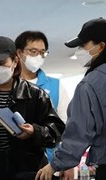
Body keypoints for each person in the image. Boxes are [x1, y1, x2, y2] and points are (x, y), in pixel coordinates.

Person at [0, 35, 65, 180]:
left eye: (1, 63)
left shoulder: (35, 94)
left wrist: (34, 132)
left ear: (15, 61)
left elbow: (56, 131)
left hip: (25, 168)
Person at [35, 17, 106, 180]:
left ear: (101, 46)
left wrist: (55, 164)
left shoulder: (91, 84)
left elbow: (79, 131)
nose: (79, 51)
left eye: (83, 46)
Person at [15, 31, 74, 179]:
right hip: (13, 160)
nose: (38, 57)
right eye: (33, 51)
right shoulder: (8, 85)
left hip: (47, 163)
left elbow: (67, 126)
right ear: (19, 53)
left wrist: (67, 162)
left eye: (42, 52)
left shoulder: (55, 86)